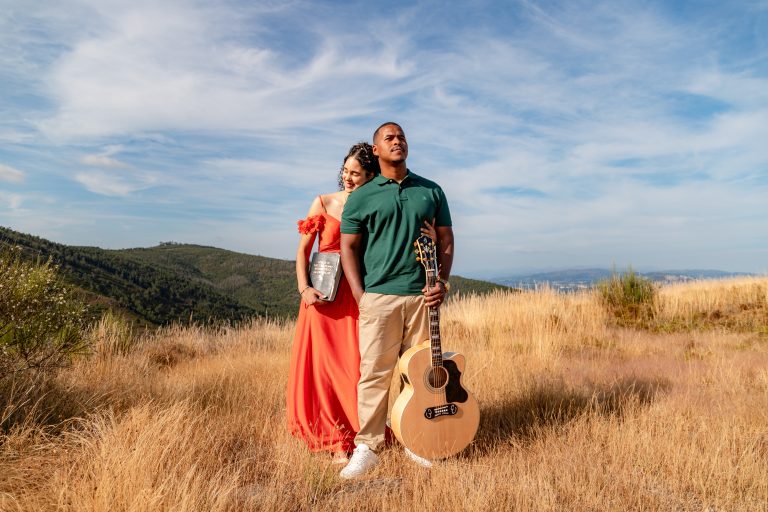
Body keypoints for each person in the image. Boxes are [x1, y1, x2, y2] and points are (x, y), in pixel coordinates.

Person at [339, 122, 453, 478]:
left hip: (423, 298)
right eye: (388, 138)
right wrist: (361, 295)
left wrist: (442, 283)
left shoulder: (430, 190)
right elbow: (348, 246)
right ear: (376, 150)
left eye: (401, 136)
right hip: (379, 298)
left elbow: (446, 241)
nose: (397, 141)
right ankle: (368, 447)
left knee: (417, 373)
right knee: (374, 373)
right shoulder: (362, 195)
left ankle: (414, 440)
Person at [286, 142, 380, 464]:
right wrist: (304, 289)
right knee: (324, 369)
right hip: (322, 297)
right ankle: (335, 438)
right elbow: (302, 252)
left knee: (354, 367)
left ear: (370, 176)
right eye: (345, 171)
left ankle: (360, 433)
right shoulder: (323, 203)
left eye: (356, 173)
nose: (348, 178)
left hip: (354, 296)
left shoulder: (374, 205)